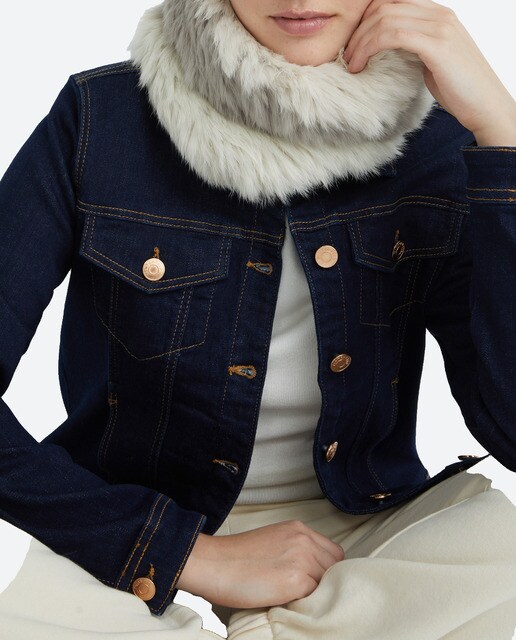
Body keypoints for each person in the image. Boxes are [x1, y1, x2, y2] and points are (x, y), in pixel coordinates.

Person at [0, 0, 515, 638]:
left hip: (364, 528)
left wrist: (502, 131)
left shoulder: (438, 140)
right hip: (129, 522)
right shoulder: (100, 119)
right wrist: (187, 555)